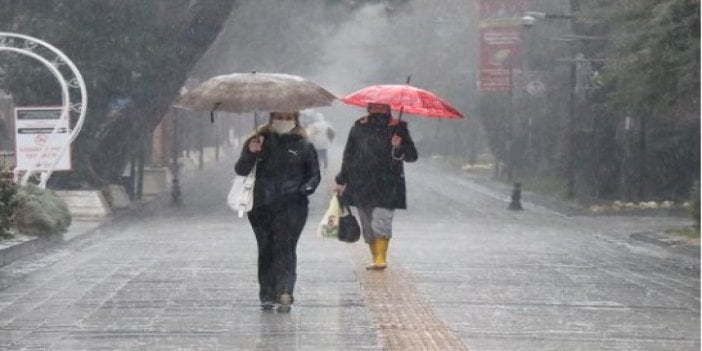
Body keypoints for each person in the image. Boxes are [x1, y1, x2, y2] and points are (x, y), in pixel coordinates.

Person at [234, 111, 321, 312]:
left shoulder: (304, 144)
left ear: (295, 119)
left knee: (286, 247)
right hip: (261, 205)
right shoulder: (258, 140)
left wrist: (304, 189)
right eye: (279, 116)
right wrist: (251, 153)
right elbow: (241, 169)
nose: (283, 121)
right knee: (266, 248)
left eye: (287, 116)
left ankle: (284, 290)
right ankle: (267, 293)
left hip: (293, 206)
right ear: (272, 118)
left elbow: (314, 175)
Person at [333, 103, 418, 270]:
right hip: (361, 182)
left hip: (389, 183)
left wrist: (399, 146)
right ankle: (374, 256)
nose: (378, 110)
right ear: (369, 108)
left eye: (382, 107)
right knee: (368, 224)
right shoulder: (358, 128)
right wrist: (342, 179)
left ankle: (381, 258)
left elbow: (412, 156)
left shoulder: (399, 128)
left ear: (388, 109)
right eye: (375, 107)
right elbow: (349, 155)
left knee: (382, 220)